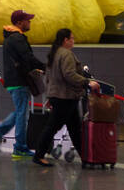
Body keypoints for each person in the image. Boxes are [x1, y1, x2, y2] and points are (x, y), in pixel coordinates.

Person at [31, 28, 101, 167]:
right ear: (65, 40)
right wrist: (87, 82)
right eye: (72, 38)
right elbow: (69, 74)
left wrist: (50, 96)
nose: (73, 41)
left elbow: (49, 77)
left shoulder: (55, 53)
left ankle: (86, 158)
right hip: (65, 97)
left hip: (60, 96)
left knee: (74, 128)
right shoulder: (66, 54)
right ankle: (39, 155)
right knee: (53, 127)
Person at [0, 9, 44, 160]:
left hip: (13, 81)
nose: (29, 22)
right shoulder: (17, 38)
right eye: (27, 20)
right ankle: (20, 148)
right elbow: (28, 58)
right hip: (19, 81)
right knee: (22, 115)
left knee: (19, 112)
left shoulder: (11, 38)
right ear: (19, 22)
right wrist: (45, 66)